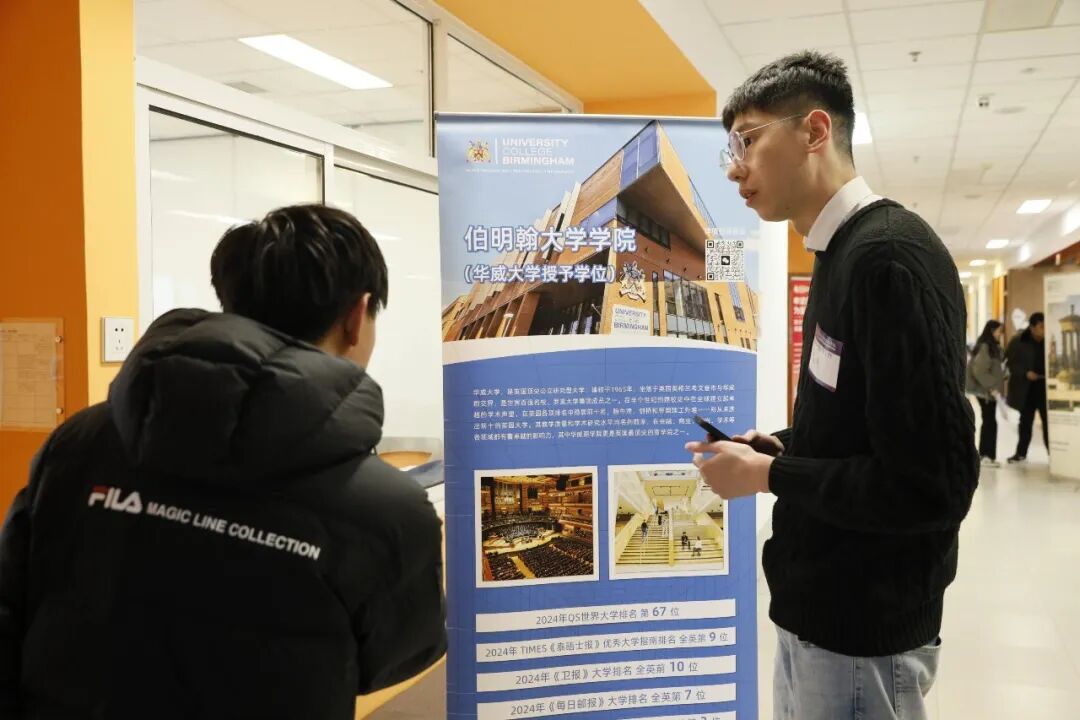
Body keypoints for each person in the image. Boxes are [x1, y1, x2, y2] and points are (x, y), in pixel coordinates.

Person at [0, 205, 447, 718]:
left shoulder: (79, 443)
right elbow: (397, 656)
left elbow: (15, 602)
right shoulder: (386, 509)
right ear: (357, 316)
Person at [686, 51, 978, 720]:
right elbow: (864, 424)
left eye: (748, 142)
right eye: (731, 149)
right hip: (819, 613)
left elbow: (933, 484)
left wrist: (771, 475)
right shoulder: (839, 251)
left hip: (863, 631)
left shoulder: (888, 258)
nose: (734, 168)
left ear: (815, 130)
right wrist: (783, 448)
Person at [1005, 313, 1048, 463]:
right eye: (1041, 326)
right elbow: (1010, 363)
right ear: (1032, 327)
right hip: (1026, 389)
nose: (1044, 329)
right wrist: (1025, 373)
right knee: (1025, 423)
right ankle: (1021, 453)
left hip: (1044, 388)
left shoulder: (1049, 340)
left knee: (1048, 422)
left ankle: (1053, 454)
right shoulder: (1018, 341)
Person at [966, 320, 1007, 466]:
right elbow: (979, 370)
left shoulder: (993, 347)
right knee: (989, 421)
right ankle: (986, 455)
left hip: (989, 391)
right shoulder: (985, 347)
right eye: (998, 331)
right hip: (985, 392)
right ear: (991, 331)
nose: (1000, 334)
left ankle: (987, 455)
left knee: (989, 421)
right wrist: (991, 387)